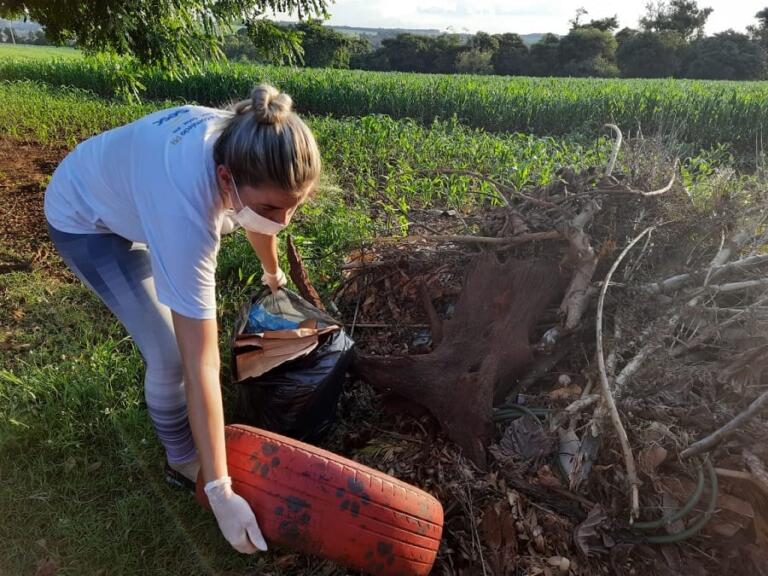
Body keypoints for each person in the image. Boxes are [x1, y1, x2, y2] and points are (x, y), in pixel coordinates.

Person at [43, 84, 321, 555]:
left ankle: (192, 451)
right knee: (171, 355)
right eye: (273, 208)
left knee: (182, 341)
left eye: (296, 204)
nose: (285, 220)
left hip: (134, 192)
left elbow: (260, 216)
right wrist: (220, 490)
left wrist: (272, 273)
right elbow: (201, 365)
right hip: (86, 219)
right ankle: (179, 459)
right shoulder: (186, 212)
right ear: (225, 177)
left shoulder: (247, 137)